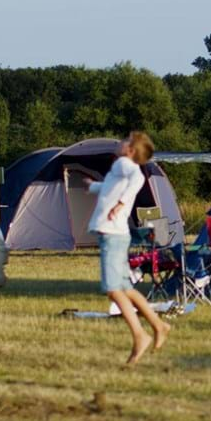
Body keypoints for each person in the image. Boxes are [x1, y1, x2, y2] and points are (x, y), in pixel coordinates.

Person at [85, 131, 171, 366]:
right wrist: (93, 187)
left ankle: (140, 336)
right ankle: (158, 325)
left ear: (130, 150)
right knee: (125, 287)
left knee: (113, 289)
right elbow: (111, 187)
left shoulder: (126, 164)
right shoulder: (118, 168)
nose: (120, 142)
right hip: (116, 234)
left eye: (125, 141)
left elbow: (137, 180)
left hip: (112, 235)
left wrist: (121, 204)